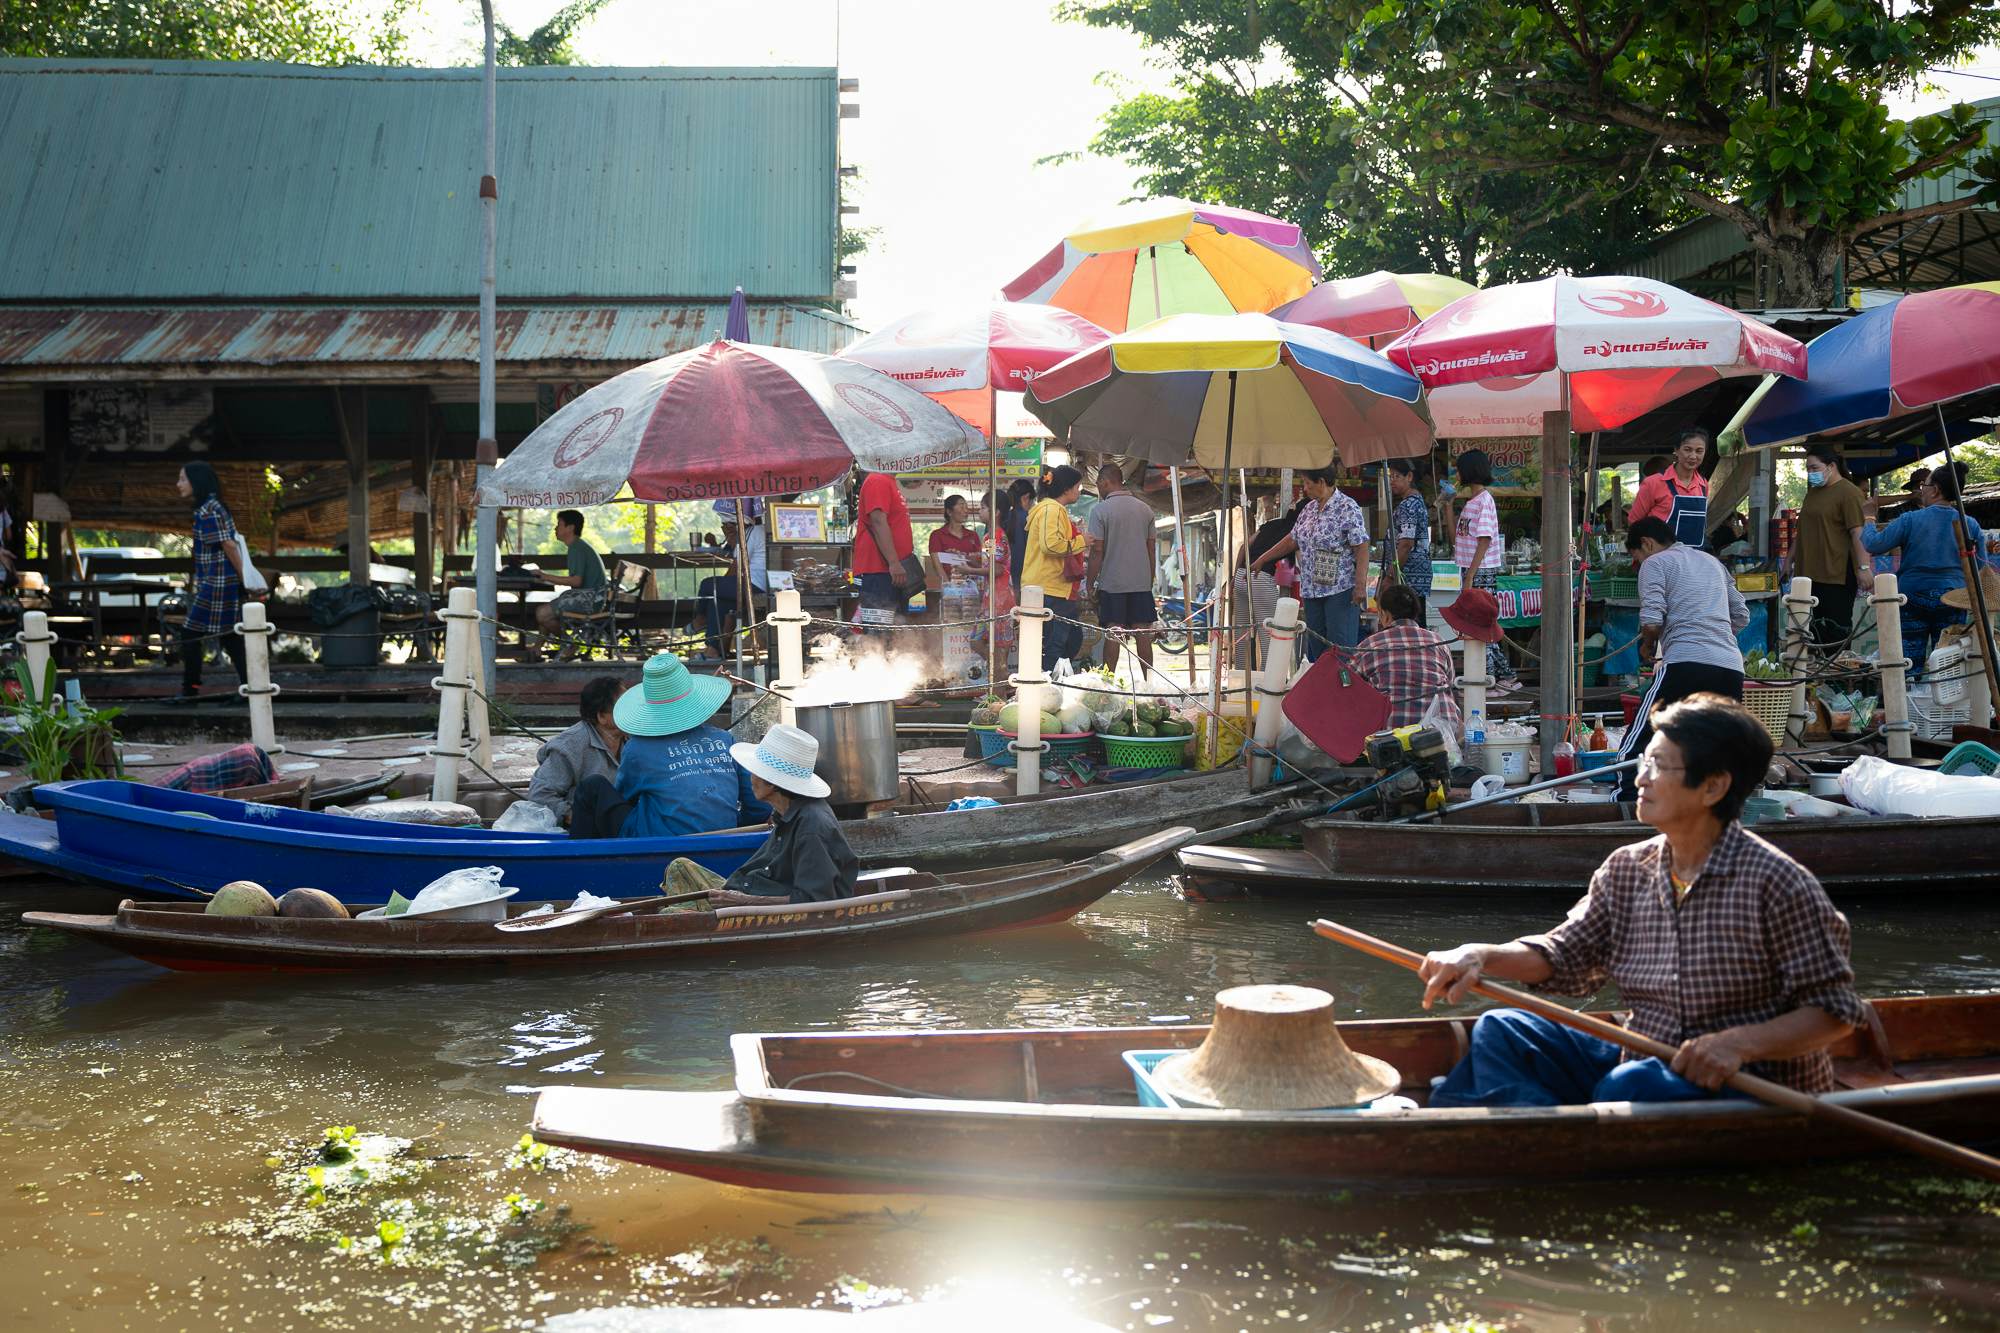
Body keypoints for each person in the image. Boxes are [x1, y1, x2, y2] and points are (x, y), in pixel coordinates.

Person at [1418, 694, 1866, 1106]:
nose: (1641, 778)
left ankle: (1526, 1124)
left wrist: (1737, 1043)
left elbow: (1836, 1012)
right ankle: (1533, 1126)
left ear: (1712, 787)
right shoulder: (1627, 869)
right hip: (1644, 1058)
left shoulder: (1780, 883)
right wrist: (1478, 954)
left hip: (1750, 1080)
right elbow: (1564, 955)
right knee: (1503, 1029)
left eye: (1658, 766)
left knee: (1629, 1086)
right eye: (1644, 762)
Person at [1615, 517, 1748, 802]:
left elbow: (1651, 621)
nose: (1638, 563)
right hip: (1730, 667)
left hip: (1685, 663)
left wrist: (1648, 647)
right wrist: (1715, 636)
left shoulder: (1655, 563)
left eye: (1636, 556)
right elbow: (1741, 615)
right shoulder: (1712, 562)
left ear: (1647, 544)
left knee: (1641, 738)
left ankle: (1625, 798)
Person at [568, 651, 768, 840]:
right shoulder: (725, 739)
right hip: (724, 840)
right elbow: (758, 806)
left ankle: (577, 862)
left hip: (657, 843)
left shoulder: (638, 748)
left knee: (592, 787)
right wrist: (733, 828)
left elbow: (624, 796)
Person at [680, 724, 862, 908]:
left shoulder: (811, 827)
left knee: (674, 912)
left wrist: (743, 901)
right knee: (680, 867)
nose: (751, 778)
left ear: (773, 783)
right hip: (751, 891)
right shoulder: (785, 814)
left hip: (768, 911)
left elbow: (814, 901)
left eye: (756, 772)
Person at [1862, 461, 1986, 673]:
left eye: (1924, 487)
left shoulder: (1910, 519)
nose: (1921, 491)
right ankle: (1945, 704)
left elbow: (1873, 544)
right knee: (1949, 662)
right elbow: (1981, 568)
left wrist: (1869, 517)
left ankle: (1909, 701)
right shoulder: (1970, 524)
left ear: (1935, 490)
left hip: (1912, 596)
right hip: (1953, 598)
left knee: (1909, 662)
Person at [1247, 466, 1369, 662]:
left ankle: (1343, 690)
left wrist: (1360, 586)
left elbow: (1361, 546)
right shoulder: (1309, 509)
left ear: (1321, 482)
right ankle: (1322, 688)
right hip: (1312, 591)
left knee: (1341, 648)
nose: (1304, 488)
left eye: (1307, 483)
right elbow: (1292, 539)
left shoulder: (1347, 507)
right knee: (1317, 647)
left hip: (1339, 590)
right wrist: (1262, 558)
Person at [172, 461, 249, 704]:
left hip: (217, 582)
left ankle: (190, 690)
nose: (178, 484)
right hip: (216, 580)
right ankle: (249, 688)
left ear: (197, 481)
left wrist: (245, 578)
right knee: (229, 636)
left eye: (183, 479)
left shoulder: (209, 510)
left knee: (191, 633)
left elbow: (228, 545)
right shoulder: (211, 507)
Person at [1445, 449, 1521, 691]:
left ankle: (1487, 682)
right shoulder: (1471, 503)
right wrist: (1447, 506)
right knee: (1478, 628)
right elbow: (1456, 539)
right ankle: (1505, 678)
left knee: (1479, 628)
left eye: (1459, 469)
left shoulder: (1484, 501)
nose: (1456, 473)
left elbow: (1485, 539)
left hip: (1480, 571)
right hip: (1470, 568)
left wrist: (1470, 576)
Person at [1794, 442, 1870, 655]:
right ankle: (1814, 685)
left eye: (1814, 468)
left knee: (1835, 632)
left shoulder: (1849, 492)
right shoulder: (1813, 492)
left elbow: (1858, 533)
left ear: (1832, 466)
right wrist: (1790, 561)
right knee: (1811, 632)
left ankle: (1838, 684)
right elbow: (1802, 531)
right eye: (1808, 469)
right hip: (1809, 574)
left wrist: (1863, 567)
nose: (1811, 473)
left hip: (1836, 573)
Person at [1353, 584, 1459, 734]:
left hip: (1388, 736)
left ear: (1385, 615)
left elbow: (1349, 686)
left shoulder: (1369, 645)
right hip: (1441, 734)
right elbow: (1449, 682)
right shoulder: (1438, 642)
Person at [1085, 463, 1158, 675]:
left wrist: (1090, 583)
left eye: (1098, 483)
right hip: (1140, 583)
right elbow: (1151, 549)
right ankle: (1149, 681)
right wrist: (1149, 579)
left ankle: (1109, 684)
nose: (1098, 487)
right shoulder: (1145, 509)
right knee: (1143, 632)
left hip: (1112, 583)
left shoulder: (1100, 510)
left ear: (1105, 482)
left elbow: (1097, 552)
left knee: (1113, 632)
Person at [525, 676, 626, 825]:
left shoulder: (633, 739)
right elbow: (540, 794)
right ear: (602, 716)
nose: (633, 710)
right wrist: (573, 816)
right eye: (624, 707)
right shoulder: (570, 746)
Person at [1022, 465, 1089, 670]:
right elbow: (1051, 545)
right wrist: (1081, 541)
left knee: (1066, 640)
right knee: (1058, 644)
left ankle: (1048, 682)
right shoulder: (1052, 509)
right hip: (1049, 587)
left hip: (1049, 587)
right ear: (1067, 488)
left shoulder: (1049, 509)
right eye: (1078, 487)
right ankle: (1046, 684)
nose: (1079, 491)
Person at [699, 499, 767, 659]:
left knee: (707, 585)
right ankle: (714, 651)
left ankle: (699, 619)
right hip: (759, 583)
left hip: (754, 584)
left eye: (729, 523)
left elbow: (737, 566)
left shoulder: (751, 533)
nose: (727, 526)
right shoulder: (759, 531)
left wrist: (721, 585)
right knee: (720, 600)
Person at [853, 467, 919, 627]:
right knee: (879, 633)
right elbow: (877, 521)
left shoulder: (889, 481)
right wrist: (894, 563)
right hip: (879, 570)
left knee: (894, 630)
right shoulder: (877, 480)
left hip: (892, 571)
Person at [534, 508, 610, 644]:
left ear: (570, 528)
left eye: (559, 525)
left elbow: (576, 581)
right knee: (547, 609)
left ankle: (569, 644)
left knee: (542, 613)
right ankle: (537, 649)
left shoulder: (576, 548)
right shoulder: (579, 546)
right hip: (596, 599)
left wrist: (545, 576)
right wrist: (546, 576)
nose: (555, 528)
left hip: (590, 601)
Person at [1627, 428, 1710, 546]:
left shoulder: (1703, 485)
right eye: (1687, 449)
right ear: (1676, 450)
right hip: (1660, 557)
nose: (1693, 456)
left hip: (1693, 557)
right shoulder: (1653, 483)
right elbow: (1634, 523)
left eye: (1699, 451)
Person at [1386, 458, 1432, 598]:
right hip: (1417, 575)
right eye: (1390, 476)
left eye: (1397, 476)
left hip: (1409, 576)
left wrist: (1390, 575)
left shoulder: (1408, 506)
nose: (1392, 481)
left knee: (1407, 618)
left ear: (1409, 477)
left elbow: (1406, 544)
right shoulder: (1417, 500)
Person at [1001, 477, 1036, 594]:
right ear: (1026, 498)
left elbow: (988, 556)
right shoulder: (1029, 519)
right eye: (1032, 501)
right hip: (1025, 582)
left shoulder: (997, 523)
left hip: (1001, 582)